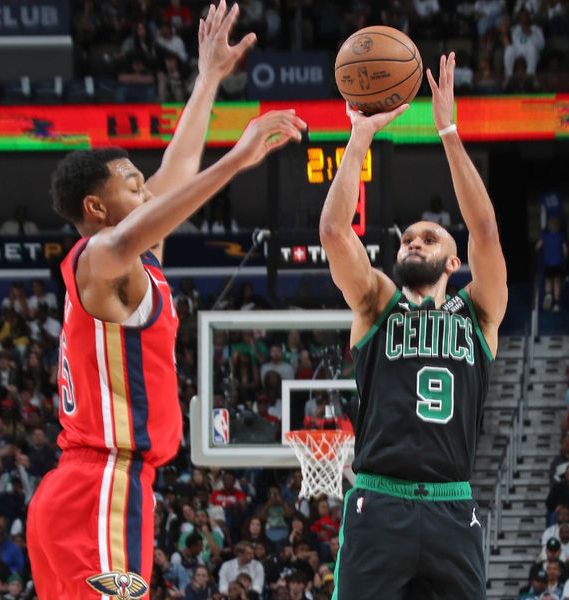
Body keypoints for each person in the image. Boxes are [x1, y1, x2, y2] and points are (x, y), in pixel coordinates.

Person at [26, 4, 306, 598]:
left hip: (90, 489)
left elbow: (176, 172)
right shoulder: (99, 256)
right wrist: (238, 159)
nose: (146, 188)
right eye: (132, 185)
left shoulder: (133, 262)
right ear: (96, 209)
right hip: (99, 488)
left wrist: (207, 79)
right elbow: (139, 225)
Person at [319, 52, 507, 600]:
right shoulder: (376, 302)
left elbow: (487, 231)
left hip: (453, 503)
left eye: (430, 238)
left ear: (454, 263)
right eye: (407, 239)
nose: (414, 242)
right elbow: (334, 231)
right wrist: (359, 136)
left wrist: (447, 129)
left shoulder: (480, 312)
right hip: (380, 499)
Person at [537, 217, 568, 312]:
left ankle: (548, 295)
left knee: (548, 281)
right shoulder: (560, 236)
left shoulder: (544, 236)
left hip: (548, 263)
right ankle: (556, 304)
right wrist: (565, 258)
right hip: (558, 263)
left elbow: (538, 246)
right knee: (557, 283)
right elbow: (565, 249)